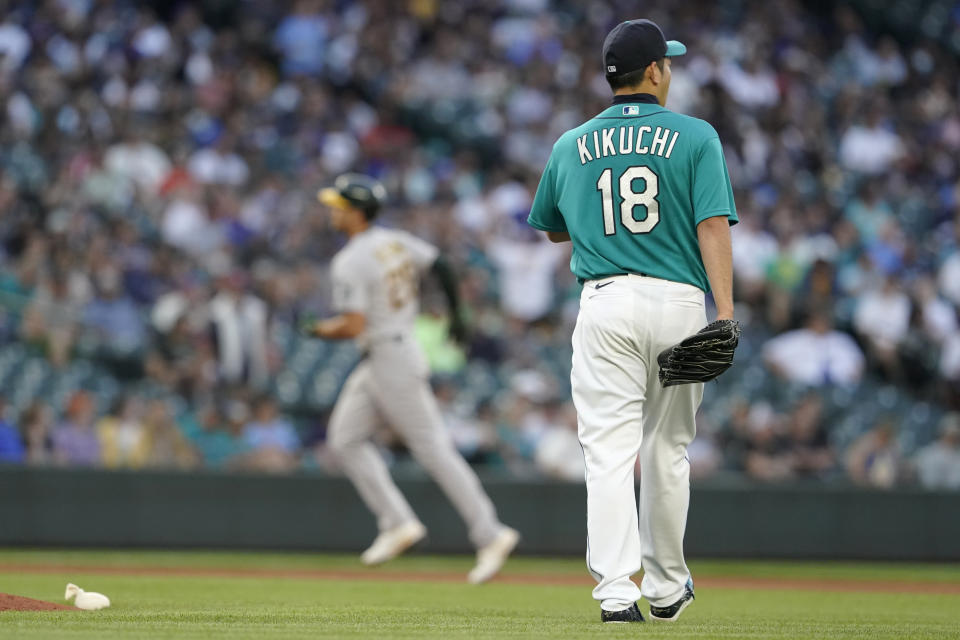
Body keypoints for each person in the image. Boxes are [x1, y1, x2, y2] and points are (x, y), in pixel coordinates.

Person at [527, 20, 737, 623]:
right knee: (668, 448)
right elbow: (713, 224)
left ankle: (617, 594)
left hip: (607, 301)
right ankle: (668, 586)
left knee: (609, 453)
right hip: (677, 303)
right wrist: (723, 312)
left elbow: (553, 225)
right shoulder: (696, 136)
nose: (670, 70)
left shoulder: (571, 144)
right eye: (666, 63)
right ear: (654, 71)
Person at [304, 173, 518, 584]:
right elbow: (439, 263)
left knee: (433, 449)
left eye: (338, 205)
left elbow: (350, 325)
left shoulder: (351, 260)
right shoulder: (394, 241)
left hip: (390, 355)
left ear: (355, 212)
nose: (331, 211)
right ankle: (397, 521)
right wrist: (458, 314)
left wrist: (317, 329)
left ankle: (490, 533)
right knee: (345, 439)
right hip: (388, 353)